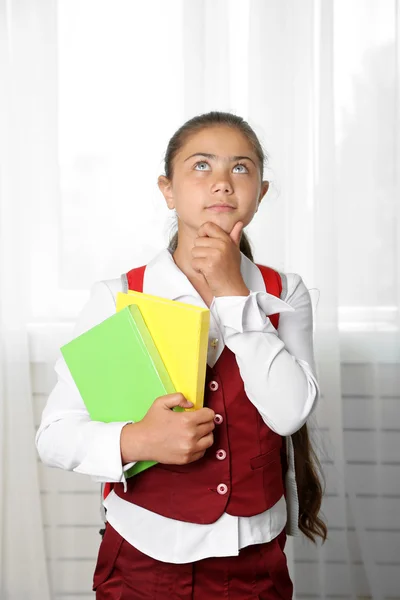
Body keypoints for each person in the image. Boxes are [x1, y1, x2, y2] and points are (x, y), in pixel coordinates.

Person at [36, 111, 327, 599]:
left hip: (253, 561)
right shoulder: (120, 296)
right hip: (143, 558)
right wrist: (139, 441)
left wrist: (235, 296)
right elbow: (54, 435)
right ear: (167, 190)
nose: (222, 183)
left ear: (261, 194)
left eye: (241, 168)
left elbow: (288, 413)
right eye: (201, 166)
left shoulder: (285, 293)